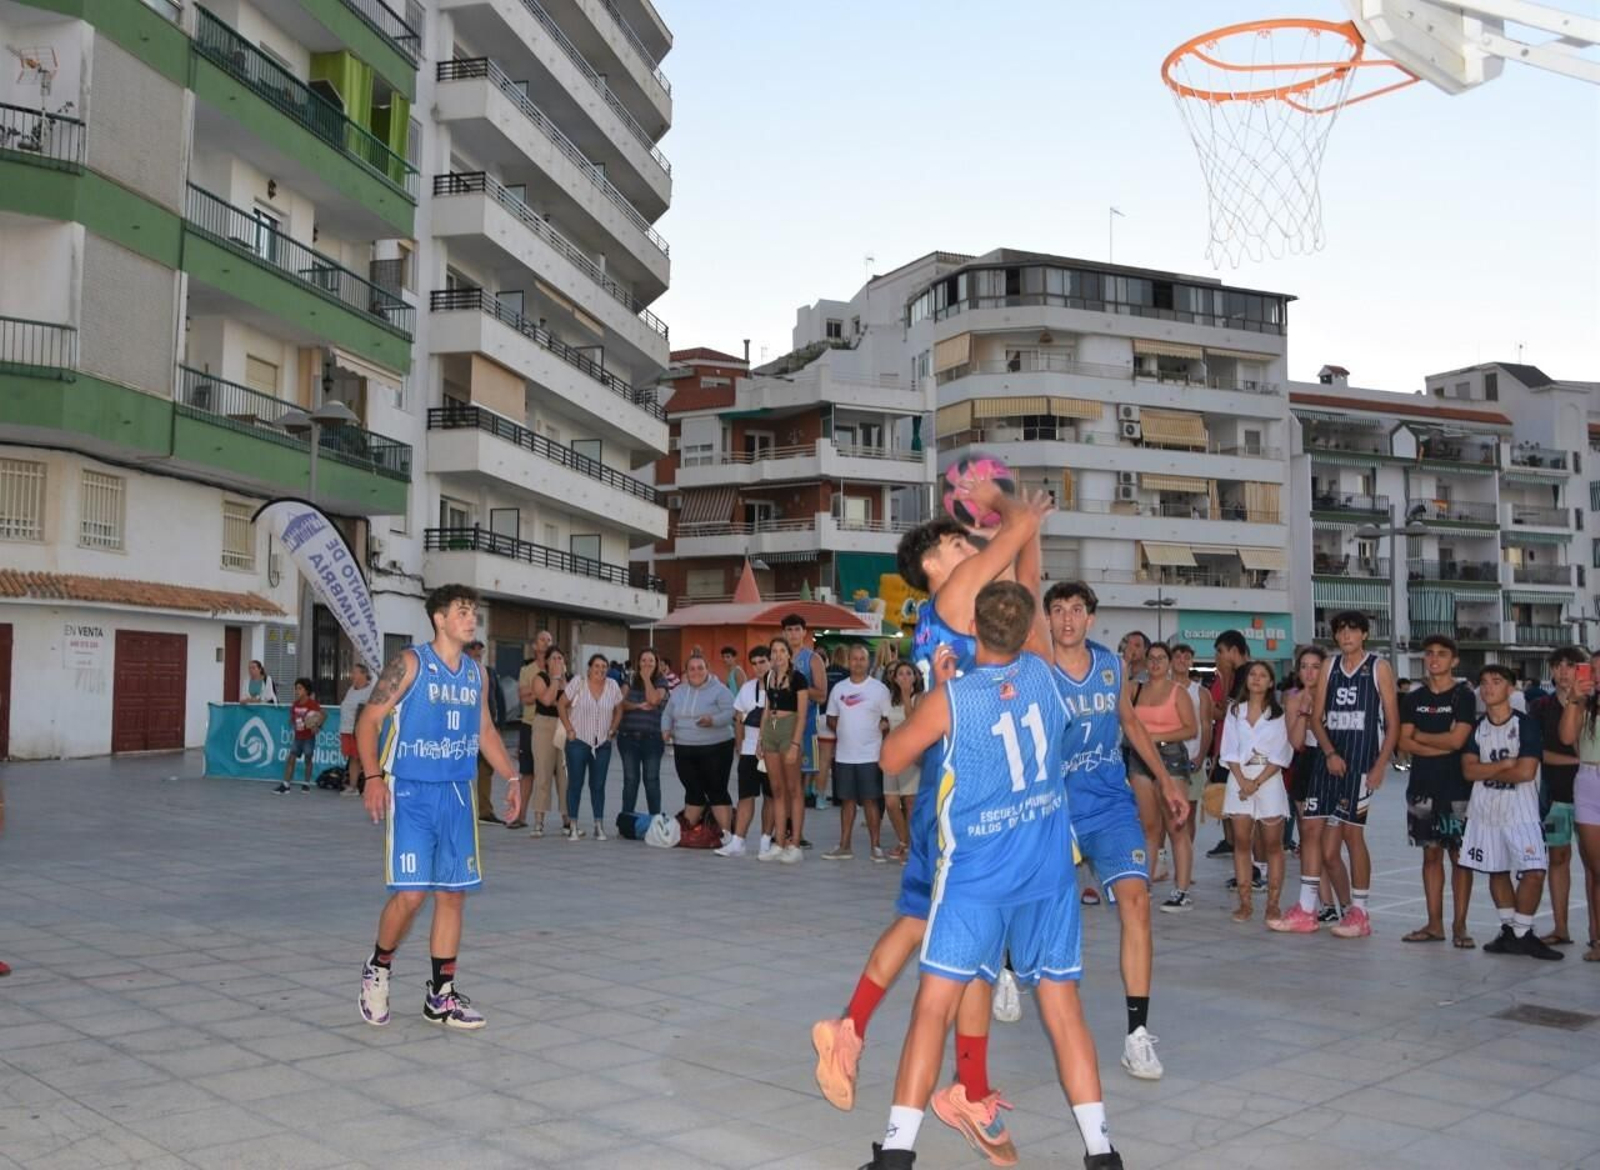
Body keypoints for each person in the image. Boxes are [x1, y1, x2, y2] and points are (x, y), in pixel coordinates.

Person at [812, 485, 1049, 1151]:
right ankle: (948, 1081)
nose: (968, 545)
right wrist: (1007, 502)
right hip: (962, 801)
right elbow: (1014, 536)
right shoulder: (953, 596)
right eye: (955, 541)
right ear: (933, 564)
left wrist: (1022, 527)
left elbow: (1025, 580)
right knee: (949, 937)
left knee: (943, 932)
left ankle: (874, 1040)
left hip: (975, 796)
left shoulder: (959, 606)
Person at [861, 582, 1122, 1170]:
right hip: (1046, 874)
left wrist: (936, 689)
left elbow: (891, 758)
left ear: (973, 628)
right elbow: (1028, 583)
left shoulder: (953, 698)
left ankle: (897, 1153)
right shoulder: (1045, 674)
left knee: (933, 1008)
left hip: (976, 878)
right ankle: (1102, 1151)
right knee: (1063, 1010)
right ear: (1032, 630)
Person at [355, 584, 524, 1030]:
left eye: (473, 612)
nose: (471, 619)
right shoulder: (410, 664)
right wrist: (372, 777)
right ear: (440, 619)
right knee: (411, 895)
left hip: (457, 794)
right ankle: (378, 966)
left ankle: (441, 996)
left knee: (452, 894)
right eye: (462, 612)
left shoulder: (476, 674)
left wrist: (511, 777)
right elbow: (369, 720)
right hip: (412, 791)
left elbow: (484, 730)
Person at [1046, 580, 1190, 1082]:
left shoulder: (1110, 666)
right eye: (1058, 609)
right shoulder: (1036, 669)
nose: (1067, 618)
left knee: (1137, 902)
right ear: (1048, 618)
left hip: (1109, 804)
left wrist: (1166, 781)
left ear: (1091, 619)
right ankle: (1007, 967)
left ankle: (1137, 1035)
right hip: (1053, 805)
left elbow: (1130, 723)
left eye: (1076, 610)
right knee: (1036, 904)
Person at [1275, 611, 1398, 938]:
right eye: (1341, 631)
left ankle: (1360, 912)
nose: (1346, 636)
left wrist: (1380, 765)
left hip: (1360, 762)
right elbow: (1316, 719)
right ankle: (1306, 909)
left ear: (1364, 634)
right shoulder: (1330, 666)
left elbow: (1393, 722)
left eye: (1352, 630)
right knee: (1310, 829)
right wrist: (1329, 752)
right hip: (1328, 760)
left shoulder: (1378, 668)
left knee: (1353, 835)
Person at [1462, 665, 1562, 960]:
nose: (1488, 687)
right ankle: (1510, 931)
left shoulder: (1526, 725)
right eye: (1483, 682)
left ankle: (1522, 931)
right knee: (1497, 870)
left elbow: (1526, 772)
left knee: (1534, 871)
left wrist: (1487, 770)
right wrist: (1505, 764)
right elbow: (1468, 772)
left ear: (1511, 688)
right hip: (1485, 810)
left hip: (1522, 812)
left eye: (1496, 681)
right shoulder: (1477, 727)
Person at [1394, 635, 1478, 945]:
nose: (1434, 659)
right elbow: (1403, 743)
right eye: (1429, 653)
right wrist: (1441, 742)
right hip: (1422, 787)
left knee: (1460, 857)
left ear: (1454, 660)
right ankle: (1434, 925)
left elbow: (1458, 741)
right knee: (1430, 856)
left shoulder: (1463, 696)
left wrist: (1422, 738)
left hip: (1457, 789)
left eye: (1442, 654)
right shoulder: (1413, 698)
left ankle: (1460, 926)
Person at [1220, 661, 1293, 923]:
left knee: (1273, 844)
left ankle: (1273, 903)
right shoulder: (1234, 711)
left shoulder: (1278, 714)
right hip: (1238, 780)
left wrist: (1256, 782)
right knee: (1241, 842)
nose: (1257, 679)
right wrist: (1243, 781)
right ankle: (1245, 902)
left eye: (1263, 675)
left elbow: (1281, 753)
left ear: (1271, 682)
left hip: (1268, 780)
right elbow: (1228, 749)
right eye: (1253, 674)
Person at [1123, 642, 1197, 883]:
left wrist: (1155, 736)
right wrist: (1126, 661)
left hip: (1171, 756)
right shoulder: (1135, 689)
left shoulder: (1178, 692)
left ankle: (1181, 890)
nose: (1155, 663)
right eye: (1151, 658)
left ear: (1169, 663)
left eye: (1161, 658)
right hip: (1139, 758)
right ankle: (1145, 886)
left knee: (1176, 826)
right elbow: (1118, 699)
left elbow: (1191, 729)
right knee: (1148, 826)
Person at [1532, 646, 1583, 947]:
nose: (1564, 671)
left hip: (1592, 797)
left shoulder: (1592, 704)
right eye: (1558, 665)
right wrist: (1580, 762)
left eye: (1571, 665)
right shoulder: (1540, 706)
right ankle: (1560, 927)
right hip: (1556, 797)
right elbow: (1536, 752)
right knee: (1558, 858)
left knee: (1594, 863)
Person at [823, 643, 893, 862]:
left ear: (868, 662)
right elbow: (831, 717)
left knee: (871, 800)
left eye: (862, 659)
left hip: (870, 755)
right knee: (847, 801)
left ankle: (876, 846)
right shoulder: (839, 689)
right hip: (844, 755)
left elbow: (888, 718)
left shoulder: (879, 689)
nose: (858, 663)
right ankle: (844, 846)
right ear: (848, 661)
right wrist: (844, 731)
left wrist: (879, 732)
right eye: (854, 659)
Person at [1284, 645, 1335, 921]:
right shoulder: (1294, 699)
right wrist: (1304, 713)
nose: (1309, 672)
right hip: (1307, 764)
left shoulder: (1336, 695)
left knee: (1331, 844)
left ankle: (1349, 903)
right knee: (1309, 837)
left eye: (1315, 666)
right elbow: (1295, 742)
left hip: (1334, 764)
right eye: (1304, 666)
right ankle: (1323, 904)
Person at [1161, 644, 1212, 911]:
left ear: (1192, 661)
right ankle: (1162, 861)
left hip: (1190, 761)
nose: (1182, 660)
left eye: (1187, 657)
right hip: (1163, 762)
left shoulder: (1200, 692)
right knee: (1162, 817)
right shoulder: (1161, 687)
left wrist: (1201, 756)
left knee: (1187, 817)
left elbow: (1206, 726)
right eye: (1178, 656)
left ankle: (1184, 866)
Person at [661, 653, 736, 835]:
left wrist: (713, 720)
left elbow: (731, 712)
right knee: (693, 790)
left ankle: (727, 835)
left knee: (717, 790)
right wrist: (665, 729)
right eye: (692, 669)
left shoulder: (720, 690)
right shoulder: (679, 691)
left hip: (716, 747)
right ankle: (688, 833)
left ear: (707, 669)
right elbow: (668, 713)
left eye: (700, 668)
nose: (696, 672)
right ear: (686, 672)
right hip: (683, 747)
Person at [559, 654, 623, 841]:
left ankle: (598, 825)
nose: (600, 670)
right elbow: (561, 704)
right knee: (575, 784)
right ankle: (573, 825)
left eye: (604, 666)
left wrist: (613, 729)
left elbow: (619, 709)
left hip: (602, 743)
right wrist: (569, 729)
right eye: (597, 666)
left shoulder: (612, 685)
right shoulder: (578, 683)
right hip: (578, 741)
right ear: (589, 668)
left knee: (598, 785)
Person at [758, 637, 811, 863]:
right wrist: (761, 738)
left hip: (789, 730)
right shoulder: (769, 677)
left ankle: (795, 844)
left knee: (794, 789)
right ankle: (778, 843)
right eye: (774, 651)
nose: (777, 655)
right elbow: (766, 708)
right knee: (776, 789)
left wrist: (795, 744)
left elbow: (802, 714)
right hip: (771, 729)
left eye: (782, 651)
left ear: (789, 654)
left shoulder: (798, 678)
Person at [1562, 655, 1600, 963]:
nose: (1596, 675)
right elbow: (1566, 737)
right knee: (1597, 870)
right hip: (1588, 780)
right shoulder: (1584, 704)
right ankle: (1598, 939)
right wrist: (1574, 699)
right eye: (1593, 669)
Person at [719, 645, 772, 858]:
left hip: (773, 751)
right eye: (755, 663)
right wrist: (740, 746)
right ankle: (738, 841)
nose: (759, 667)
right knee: (745, 797)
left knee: (771, 797)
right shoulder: (748, 688)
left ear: (771, 661)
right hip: (749, 751)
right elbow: (738, 718)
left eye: (763, 662)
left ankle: (766, 842)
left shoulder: (780, 687)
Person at [1205, 632, 1250, 860]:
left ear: (1233, 651)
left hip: (1243, 755)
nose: (1219, 657)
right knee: (1230, 805)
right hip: (1233, 752)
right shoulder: (1237, 676)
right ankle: (1242, 858)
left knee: (1242, 812)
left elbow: (1230, 713)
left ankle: (1253, 865)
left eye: (1221, 652)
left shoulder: (1247, 675)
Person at [783, 615, 831, 820]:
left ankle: (796, 832)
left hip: (805, 726)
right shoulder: (777, 658)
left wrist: (797, 684)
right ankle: (781, 829)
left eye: (797, 629)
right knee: (779, 784)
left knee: (799, 785)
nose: (793, 634)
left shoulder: (812, 659)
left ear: (804, 632)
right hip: (780, 726)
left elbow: (821, 695)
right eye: (789, 630)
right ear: (783, 633)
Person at [617, 648, 669, 817]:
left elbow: (654, 700)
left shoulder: (661, 681)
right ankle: (626, 820)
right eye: (643, 660)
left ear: (656, 663)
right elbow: (620, 702)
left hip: (652, 739)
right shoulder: (630, 678)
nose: (647, 664)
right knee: (630, 780)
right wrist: (637, 706)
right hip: (628, 737)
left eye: (651, 661)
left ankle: (655, 821)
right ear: (638, 663)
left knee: (651, 780)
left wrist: (646, 679)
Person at [526, 647, 571, 837]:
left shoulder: (570, 680)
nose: (557, 661)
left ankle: (568, 820)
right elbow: (546, 700)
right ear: (546, 661)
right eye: (553, 658)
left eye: (560, 658)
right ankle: (539, 821)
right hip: (544, 726)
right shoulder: (540, 678)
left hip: (565, 725)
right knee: (543, 773)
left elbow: (574, 702)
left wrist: (563, 682)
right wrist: (555, 679)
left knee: (565, 776)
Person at [882, 660, 923, 862]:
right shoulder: (889, 699)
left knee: (909, 801)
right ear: (894, 678)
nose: (905, 677)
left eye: (909, 673)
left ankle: (912, 847)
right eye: (901, 674)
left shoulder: (919, 698)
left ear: (915, 677)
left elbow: (913, 722)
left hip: (910, 755)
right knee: (891, 802)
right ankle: (904, 841)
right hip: (892, 755)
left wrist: (907, 696)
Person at [467, 642, 506, 824]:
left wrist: (500, 725)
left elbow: (499, 699)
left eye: (480, 650)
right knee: (462, 770)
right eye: (473, 649)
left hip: (486, 728)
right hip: (465, 729)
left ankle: (484, 811)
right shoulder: (458, 670)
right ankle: (462, 810)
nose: (477, 653)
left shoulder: (489, 672)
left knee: (486, 769)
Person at [513, 633, 550, 827]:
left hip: (552, 725)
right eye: (543, 639)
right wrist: (543, 691)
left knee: (556, 775)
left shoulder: (558, 667)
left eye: (549, 640)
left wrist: (534, 691)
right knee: (527, 772)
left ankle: (567, 819)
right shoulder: (526, 670)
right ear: (535, 646)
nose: (547, 643)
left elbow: (559, 695)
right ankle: (520, 815)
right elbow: (524, 698)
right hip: (530, 724)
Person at [813, 643, 851, 811]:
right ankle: (844, 796)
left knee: (823, 761)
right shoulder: (848, 675)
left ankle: (820, 797)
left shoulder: (824, 672)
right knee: (844, 760)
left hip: (822, 717)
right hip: (842, 719)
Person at [276, 678, 322, 794]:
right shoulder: (295, 704)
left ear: (306, 690)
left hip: (308, 738)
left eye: (300, 688)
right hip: (298, 737)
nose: (297, 691)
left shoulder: (312, 704)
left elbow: (323, 715)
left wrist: (317, 726)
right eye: (296, 688)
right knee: (291, 758)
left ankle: (306, 783)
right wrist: (292, 721)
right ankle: (286, 785)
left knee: (308, 760)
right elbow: (293, 717)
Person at [338, 663, 374, 797]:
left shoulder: (370, 691)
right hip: (347, 729)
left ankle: (371, 787)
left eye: (355, 672)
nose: (352, 675)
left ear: (364, 674)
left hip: (360, 730)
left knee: (365, 759)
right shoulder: (351, 689)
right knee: (353, 758)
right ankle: (353, 787)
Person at [1393, 677, 1413, 772]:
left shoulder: (1398, 696)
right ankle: (1400, 763)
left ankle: (1404, 763)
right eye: (1407, 684)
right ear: (1402, 685)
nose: (1408, 686)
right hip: (1403, 723)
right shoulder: (1402, 696)